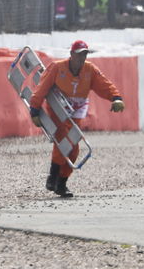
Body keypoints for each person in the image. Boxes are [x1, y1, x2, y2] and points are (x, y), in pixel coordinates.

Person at [29, 40, 125, 197]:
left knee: (74, 148)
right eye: (79, 55)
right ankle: (53, 177)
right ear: (72, 54)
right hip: (57, 110)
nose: (82, 58)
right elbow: (42, 87)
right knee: (63, 142)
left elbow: (104, 84)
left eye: (85, 55)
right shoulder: (57, 67)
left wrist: (116, 97)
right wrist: (34, 110)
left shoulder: (90, 70)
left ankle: (61, 182)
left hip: (76, 112)